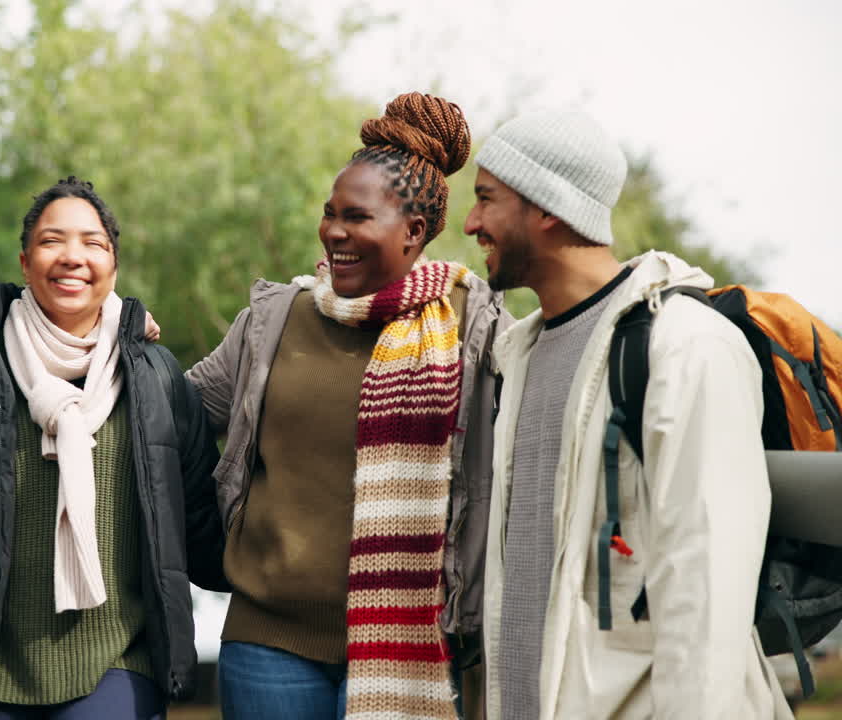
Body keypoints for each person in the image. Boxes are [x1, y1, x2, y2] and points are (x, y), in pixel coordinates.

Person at [186, 92, 513, 720]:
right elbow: (174, 413)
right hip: (268, 642)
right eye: (330, 213)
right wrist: (118, 335)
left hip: (416, 647)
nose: (334, 232)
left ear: (414, 231)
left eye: (357, 217)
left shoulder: (477, 330)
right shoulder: (274, 319)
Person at [464, 109, 793, 719]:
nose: (470, 222)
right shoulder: (521, 354)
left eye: (486, 199)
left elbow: (709, 586)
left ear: (547, 207)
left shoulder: (687, 347)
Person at [0, 176, 228, 720]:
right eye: (52, 241)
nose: (73, 257)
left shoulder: (157, 378)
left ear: (114, 266)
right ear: (24, 262)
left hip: (120, 661)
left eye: (93, 243)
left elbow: (200, 520)